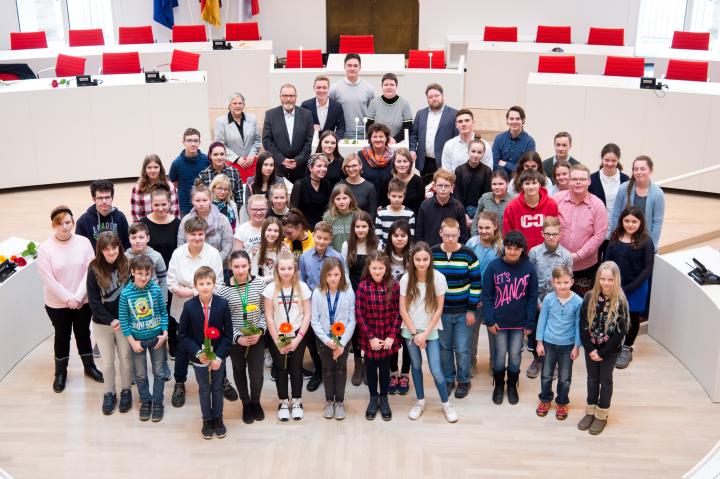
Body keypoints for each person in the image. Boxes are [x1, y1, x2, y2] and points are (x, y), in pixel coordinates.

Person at [38, 205, 102, 393]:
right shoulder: (45, 248)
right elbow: (48, 279)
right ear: (53, 225)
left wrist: (78, 296)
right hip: (57, 304)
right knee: (62, 336)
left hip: (83, 300)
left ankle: (89, 367)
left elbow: (89, 270)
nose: (65, 227)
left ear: (73, 222)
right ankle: (60, 373)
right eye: (60, 224)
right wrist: (68, 298)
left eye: (68, 222)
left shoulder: (83, 243)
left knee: (83, 334)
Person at [167, 217, 224, 409]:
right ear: (186, 235)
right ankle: (180, 383)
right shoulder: (177, 254)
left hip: (208, 310)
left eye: (200, 234)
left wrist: (190, 290)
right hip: (181, 309)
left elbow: (219, 285)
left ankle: (221, 379)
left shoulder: (213, 254)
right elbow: (171, 283)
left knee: (213, 342)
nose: (197, 238)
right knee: (183, 347)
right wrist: (198, 288)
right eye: (193, 234)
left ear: (205, 234)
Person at [400, 242, 458, 423]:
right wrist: (415, 333)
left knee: (436, 369)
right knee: (415, 366)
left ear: (430, 259)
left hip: (430, 330)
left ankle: (446, 404)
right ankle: (420, 401)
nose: (422, 263)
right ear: (412, 260)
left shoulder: (439, 278)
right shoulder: (406, 278)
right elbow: (403, 309)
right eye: (418, 259)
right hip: (410, 330)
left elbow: (439, 309)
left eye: (425, 259)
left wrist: (424, 334)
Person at [483, 231, 538, 406]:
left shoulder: (529, 268)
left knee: (515, 355)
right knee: (499, 355)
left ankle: (512, 385)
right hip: (498, 322)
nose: (512, 252)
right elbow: (487, 296)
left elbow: (532, 296)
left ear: (523, 249)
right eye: (509, 248)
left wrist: (530, 323)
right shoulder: (493, 266)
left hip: (519, 323)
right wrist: (490, 320)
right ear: (503, 247)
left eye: (517, 248)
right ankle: (499, 385)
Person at [178, 266, 233, 439]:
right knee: (204, 389)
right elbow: (183, 335)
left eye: (208, 283)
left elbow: (228, 335)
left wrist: (218, 357)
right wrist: (197, 352)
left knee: (217, 388)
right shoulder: (188, 307)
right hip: (199, 357)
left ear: (214, 284)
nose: (205, 287)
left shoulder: (222, 305)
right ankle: (207, 419)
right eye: (201, 283)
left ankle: (218, 418)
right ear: (195, 286)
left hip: (218, 357)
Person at [431, 218, 482, 399]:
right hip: (441, 312)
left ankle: (464, 380)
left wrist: (471, 310)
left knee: (462, 348)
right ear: (441, 233)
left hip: (463, 312)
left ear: (459, 234)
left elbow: (476, 284)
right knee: (444, 348)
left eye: (454, 235)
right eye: (447, 235)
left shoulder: (468, 254)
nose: (450, 239)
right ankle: (449, 379)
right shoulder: (433, 253)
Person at [578, 261, 629, 435]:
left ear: (616, 280)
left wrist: (602, 352)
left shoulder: (620, 302)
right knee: (592, 379)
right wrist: (591, 349)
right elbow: (583, 325)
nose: (606, 283)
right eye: (603, 279)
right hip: (591, 348)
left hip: (609, 351)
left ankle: (601, 415)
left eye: (610, 280)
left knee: (605, 381)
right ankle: (590, 411)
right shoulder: (589, 297)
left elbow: (619, 333)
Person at [217, 250, 268, 424]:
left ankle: (256, 401)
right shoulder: (223, 290)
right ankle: (246, 403)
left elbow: (264, 312)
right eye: (236, 266)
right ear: (230, 267)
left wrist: (260, 331)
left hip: (256, 337)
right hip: (236, 340)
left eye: (244, 266)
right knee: (239, 371)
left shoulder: (259, 284)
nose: (240, 270)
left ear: (250, 266)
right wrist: (237, 337)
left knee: (256, 374)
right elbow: (224, 320)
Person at [300, 221, 349, 392]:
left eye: (325, 239)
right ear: (313, 235)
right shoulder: (305, 257)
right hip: (314, 304)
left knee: (333, 335)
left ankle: (334, 367)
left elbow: (346, 281)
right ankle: (319, 371)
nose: (321, 242)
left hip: (334, 304)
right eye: (318, 237)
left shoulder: (337, 257)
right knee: (314, 339)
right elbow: (302, 282)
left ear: (330, 239)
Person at [119, 254, 169, 423]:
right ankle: (145, 401)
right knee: (140, 375)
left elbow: (163, 312)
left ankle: (158, 402)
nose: (143, 277)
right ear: (132, 272)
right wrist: (132, 342)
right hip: (137, 342)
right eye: (140, 273)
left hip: (157, 339)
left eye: (147, 274)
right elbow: (124, 320)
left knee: (159, 372)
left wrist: (165, 333)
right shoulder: (126, 294)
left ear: (151, 273)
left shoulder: (155, 290)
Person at [263, 252, 312, 421]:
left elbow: (307, 315)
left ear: (295, 269)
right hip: (277, 335)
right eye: (282, 268)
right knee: (281, 369)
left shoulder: (302, 287)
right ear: (277, 269)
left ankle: (297, 401)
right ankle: (283, 401)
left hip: (297, 334)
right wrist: (277, 340)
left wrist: (298, 339)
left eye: (290, 268)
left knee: (296, 368)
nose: (286, 271)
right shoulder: (270, 289)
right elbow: (269, 316)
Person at [87, 231, 131, 415]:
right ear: (101, 251)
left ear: (119, 247)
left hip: (124, 324)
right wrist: (111, 320)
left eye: (114, 248)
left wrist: (124, 319)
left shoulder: (127, 265)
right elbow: (94, 302)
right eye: (106, 250)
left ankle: (126, 391)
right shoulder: (94, 269)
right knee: (107, 362)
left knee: (126, 360)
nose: (111, 252)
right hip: (103, 324)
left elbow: (133, 295)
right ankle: (109, 392)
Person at [605, 207, 655, 369]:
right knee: (614, 316)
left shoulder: (646, 241)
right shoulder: (614, 238)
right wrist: (611, 285)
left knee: (632, 319)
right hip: (614, 286)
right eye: (627, 221)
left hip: (637, 288)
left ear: (640, 223)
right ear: (621, 221)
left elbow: (648, 269)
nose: (630, 224)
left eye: (634, 221)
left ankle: (627, 347)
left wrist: (629, 288)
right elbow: (607, 263)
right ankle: (614, 344)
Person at [355, 250, 401, 421]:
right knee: (371, 368)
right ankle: (373, 398)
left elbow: (398, 313)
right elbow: (359, 314)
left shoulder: (394, 286)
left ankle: (384, 398)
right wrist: (371, 337)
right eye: (374, 268)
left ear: (386, 268)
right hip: (371, 336)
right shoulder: (363, 286)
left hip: (388, 335)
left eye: (380, 268)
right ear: (369, 268)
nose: (377, 271)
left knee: (385, 368)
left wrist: (391, 336)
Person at [527, 216, 573, 379]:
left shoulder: (566, 256)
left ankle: (551, 362)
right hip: (537, 299)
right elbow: (530, 279)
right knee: (535, 331)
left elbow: (568, 280)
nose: (551, 237)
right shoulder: (534, 252)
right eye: (548, 234)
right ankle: (537, 360)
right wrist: (538, 303)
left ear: (560, 234)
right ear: (542, 233)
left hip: (557, 299)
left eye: (555, 234)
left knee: (553, 332)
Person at [310, 258, 356, 420]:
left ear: (342, 274)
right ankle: (329, 401)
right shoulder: (317, 292)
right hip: (324, 341)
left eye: (336, 274)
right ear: (324, 275)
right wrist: (327, 340)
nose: (333, 278)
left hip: (343, 340)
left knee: (341, 369)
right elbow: (314, 320)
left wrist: (341, 343)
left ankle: (340, 402)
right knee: (327, 369)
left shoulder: (348, 292)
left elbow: (352, 320)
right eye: (329, 274)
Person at [534, 266, 582, 421]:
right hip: (548, 343)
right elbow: (542, 321)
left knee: (565, 377)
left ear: (572, 282)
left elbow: (578, 325)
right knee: (546, 374)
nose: (562, 285)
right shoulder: (548, 299)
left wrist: (576, 346)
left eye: (566, 282)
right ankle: (545, 399)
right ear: (553, 282)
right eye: (559, 282)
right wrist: (539, 343)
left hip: (567, 346)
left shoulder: (577, 301)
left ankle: (562, 402)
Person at [553, 165, 608, 295]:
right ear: (569, 181)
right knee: (558, 301)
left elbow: (599, 235)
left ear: (589, 181)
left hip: (586, 266)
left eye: (582, 179)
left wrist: (578, 256)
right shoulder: (556, 200)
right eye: (574, 179)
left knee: (582, 305)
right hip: (558, 262)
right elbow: (549, 227)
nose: (578, 182)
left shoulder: (598, 205)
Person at [466, 211, 503, 374]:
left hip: (493, 298)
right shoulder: (472, 243)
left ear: (495, 226)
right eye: (480, 227)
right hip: (473, 296)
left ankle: (495, 363)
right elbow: (465, 269)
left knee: (494, 332)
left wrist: (490, 298)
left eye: (487, 227)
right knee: (471, 334)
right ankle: (470, 362)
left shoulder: (501, 247)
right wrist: (473, 297)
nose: (483, 231)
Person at [609, 155, 665, 252]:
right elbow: (616, 214)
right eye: (636, 169)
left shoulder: (658, 193)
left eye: (643, 169)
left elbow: (657, 223)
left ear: (651, 170)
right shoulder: (623, 188)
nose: (639, 172)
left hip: (644, 242)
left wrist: (650, 245)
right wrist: (615, 237)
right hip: (623, 240)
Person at [262, 84, 315, 183]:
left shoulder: (306, 115)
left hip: (301, 168)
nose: (288, 99)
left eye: (291, 96)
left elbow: (309, 141)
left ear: (296, 97)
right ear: (280, 97)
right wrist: (281, 159)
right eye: (285, 96)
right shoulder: (270, 115)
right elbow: (267, 141)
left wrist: (298, 160)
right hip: (278, 168)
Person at [409, 83, 459, 183]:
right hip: (424, 161)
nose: (434, 99)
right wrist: (412, 149)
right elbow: (413, 134)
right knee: (426, 189)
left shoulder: (454, 114)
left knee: (442, 187)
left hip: (443, 161)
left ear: (442, 96)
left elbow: (457, 138)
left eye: (436, 96)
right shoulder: (420, 114)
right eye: (430, 97)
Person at [589, 143, 629, 260]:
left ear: (618, 160)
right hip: (596, 231)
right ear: (602, 159)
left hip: (617, 230)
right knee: (595, 263)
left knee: (612, 263)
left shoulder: (626, 180)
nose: (610, 164)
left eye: (613, 160)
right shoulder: (592, 179)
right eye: (607, 160)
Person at [177, 181, 234, 263]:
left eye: (204, 200)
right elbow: (181, 244)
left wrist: (215, 262)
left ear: (210, 200)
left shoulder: (222, 219)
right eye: (197, 200)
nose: (201, 204)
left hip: (217, 264)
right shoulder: (186, 220)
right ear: (193, 201)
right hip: (192, 264)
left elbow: (228, 245)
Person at [503, 169, 559, 249]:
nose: (531, 187)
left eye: (534, 183)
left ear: (539, 184)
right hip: (520, 253)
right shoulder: (512, 206)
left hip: (546, 252)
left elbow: (555, 230)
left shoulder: (551, 204)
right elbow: (508, 233)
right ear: (522, 185)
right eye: (527, 183)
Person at [214, 93, 261, 182]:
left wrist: (252, 155)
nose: (238, 106)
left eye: (240, 103)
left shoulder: (252, 118)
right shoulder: (220, 121)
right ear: (229, 106)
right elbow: (220, 145)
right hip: (232, 164)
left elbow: (257, 140)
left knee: (252, 191)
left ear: (243, 105)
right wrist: (237, 159)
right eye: (234, 103)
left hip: (251, 164)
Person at [416, 169, 468, 246]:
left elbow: (463, 235)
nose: (443, 189)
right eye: (440, 185)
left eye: (446, 186)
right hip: (429, 251)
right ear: (434, 186)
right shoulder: (425, 205)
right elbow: (419, 233)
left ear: (452, 187)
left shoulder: (458, 207)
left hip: (452, 249)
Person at [329, 53, 375, 139]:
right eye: (349, 65)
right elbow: (330, 113)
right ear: (344, 67)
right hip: (341, 135)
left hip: (363, 135)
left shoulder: (369, 89)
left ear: (360, 67)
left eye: (355, 66)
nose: (352, 68)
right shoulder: (334, 89)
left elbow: (372, 113)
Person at [76, 179, 130, 250]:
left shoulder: (120, 217)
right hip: (95, 260)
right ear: (94, 199)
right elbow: (80, 248)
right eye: (100, 198)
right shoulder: (83, 221)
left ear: (112, 198)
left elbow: (127, 244)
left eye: (107, 197)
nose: (104, 201)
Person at [169, 127, 210, 216]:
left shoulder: (207, 160)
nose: (193, 144)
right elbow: (174, 183)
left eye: (196, 141)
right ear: (183, 142)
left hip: (204, 206)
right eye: (189, 140)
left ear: (200, 142)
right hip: (185, 207)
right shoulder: (176, 163)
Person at [130, 154, 180, 221]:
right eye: (149, 167)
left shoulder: (169, 186)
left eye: (156, 167)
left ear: (160, 168)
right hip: (146, 228)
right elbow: (135, 214)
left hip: (166, 225)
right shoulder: (138, 188)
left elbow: (175, 211)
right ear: (145, 169)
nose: (153, 171)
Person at [366, 72, 413, 142]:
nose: (389, 87)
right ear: (381, 86)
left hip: (397, 144)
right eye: (386, 85)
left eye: (392, 85)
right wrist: (377, 138)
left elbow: (408, 127)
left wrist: (395, 139)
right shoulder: (374, 103)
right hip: (377, 142)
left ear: (396, 86)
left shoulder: (404, 103)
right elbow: (368, 126)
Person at [454, 137, 493, 221]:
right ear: (468, 151)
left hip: (480, 211)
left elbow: (487, 195)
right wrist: (464, 214)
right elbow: (457, 195)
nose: (475, 155)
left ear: (483, 153)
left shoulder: (487, 171)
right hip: (462, 211)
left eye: (479, 152)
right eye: (473, 151)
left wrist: (479, 215)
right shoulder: (459, 170)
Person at [378, 147, 425, 216]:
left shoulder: (418, 182)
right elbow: (384, 205)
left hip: (412, 221)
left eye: (405, 161)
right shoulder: (386, 181)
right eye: (399, 161)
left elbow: (420, 208)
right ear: (394, 163)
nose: (402, 165)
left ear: (410, 163)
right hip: (390, 220)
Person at [198, 142, 243, 213]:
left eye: (222, 154)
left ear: (225, 155)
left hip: (231, 215)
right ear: (210, 156)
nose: (219, 157)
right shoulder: (203, 175)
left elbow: (239, 198)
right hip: (210, 215)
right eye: (215, 154)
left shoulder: (234, 172)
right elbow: (201, 198)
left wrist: (230, 211)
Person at [290, 153, 332, 228]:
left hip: (322, 227)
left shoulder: (327, 184)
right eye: (319, 166)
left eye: (325, 166)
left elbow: (329, 208)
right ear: (310, 168)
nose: (323, 169)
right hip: (303, 227)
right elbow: (293, 210)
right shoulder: (299, 184)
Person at [492, 106, 536, 175]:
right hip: (501, 180)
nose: (514, 121)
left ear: (523, 120)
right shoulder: (499, 139)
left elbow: (527, 168)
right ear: (507, 120)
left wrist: (506, 164)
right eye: (511, 119)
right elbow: (494, 164)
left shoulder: (529, 142)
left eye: (517, 119)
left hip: (520, 181)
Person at [471, 170, 515, 236]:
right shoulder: (485, 198)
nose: (497, 187)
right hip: (486, 238)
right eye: (494, 184)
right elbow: (477, 218)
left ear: (507, 183)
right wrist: (474, 236)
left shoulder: (513, 200)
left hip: (506, 240)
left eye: (500, 184)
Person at [301, 74, 346, 138]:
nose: (321, 90)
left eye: (324, 87)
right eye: (318, 87)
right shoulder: (305, 106)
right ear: (314, 88)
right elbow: (299, 126)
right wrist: (311, 127)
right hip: (311, 144)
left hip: (330, 145)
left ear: (328, 88)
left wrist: (333, 139)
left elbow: (341, 128)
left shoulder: (337, 107)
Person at [375, 178, 416, 249]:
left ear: (404, 197)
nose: (396, 199)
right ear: (388, 195)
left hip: (404, 254)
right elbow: (378, 238)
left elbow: (410, 238)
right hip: (386, 253)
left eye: (400, 196)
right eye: (394, 196)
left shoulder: (410, 214)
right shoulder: (381, 214)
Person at [358, 123, 395, 194]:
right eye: (375, 136)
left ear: (386, 138)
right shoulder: (361, 155)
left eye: (381, 136)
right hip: (367, 197)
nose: (378, 140)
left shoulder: (394, 156)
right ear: (370, 139)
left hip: (389, 199)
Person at [323, 183, 360, 251]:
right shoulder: (328, 217)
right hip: (334, 257)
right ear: (333, 200)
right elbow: (326, 239)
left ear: (350, 199)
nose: (341, 202)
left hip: (353, 255)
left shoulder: (358, 215)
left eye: (344, 198)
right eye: (338, 199)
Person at [340, 153, 378, 219]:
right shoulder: (339, 186)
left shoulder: (369, 187)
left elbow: (372, 213)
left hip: (362, 227)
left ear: (360, 166)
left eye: (354, 165)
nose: (351, 169)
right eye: (348, 166)